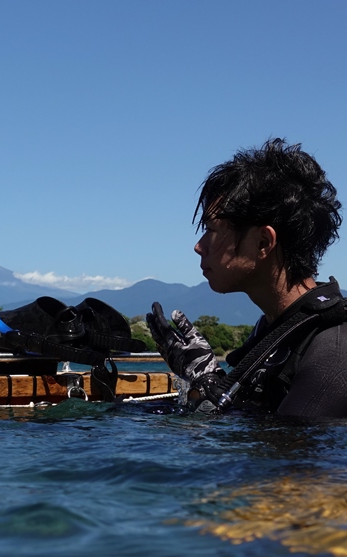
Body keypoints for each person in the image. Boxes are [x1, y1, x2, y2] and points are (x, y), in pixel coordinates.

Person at [146, 138, 347, 417]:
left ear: (264, 242)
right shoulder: (275, 333)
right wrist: (202, 378)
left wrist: (205, 382)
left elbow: (290, 453)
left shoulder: (333, 351)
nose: (198, 246)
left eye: (211, 230)